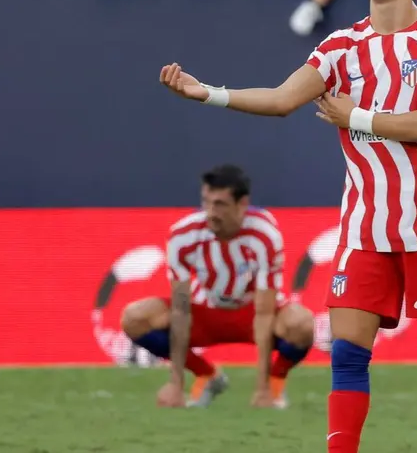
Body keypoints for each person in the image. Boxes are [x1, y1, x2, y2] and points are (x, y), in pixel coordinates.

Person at [159, 0, 417, 453]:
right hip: (364, 229)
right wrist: (208, 93)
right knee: (349, 354)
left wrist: (355, 116)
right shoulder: (341, 45)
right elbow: (283, 99)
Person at [121, 165, 315, 409]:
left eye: (220, 204)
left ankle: (274, 382)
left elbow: (265, 312)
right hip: (205, 312)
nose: (211, 212)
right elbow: (181, 310)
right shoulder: (183, 235)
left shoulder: (264, 234)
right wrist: (175, 383)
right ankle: (207, 375)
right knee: (134, 318)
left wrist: (262, 388)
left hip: (253, 312)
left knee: (302, 324)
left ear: (242, 204)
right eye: (206, 202)